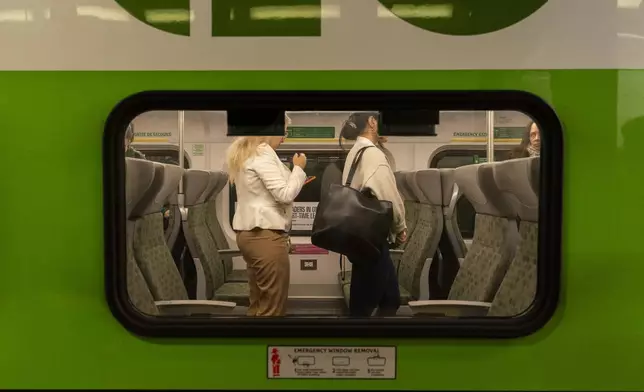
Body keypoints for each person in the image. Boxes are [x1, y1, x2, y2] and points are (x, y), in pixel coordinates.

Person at [226, 115, 307, 316]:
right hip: (263, 235)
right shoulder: (262, 153)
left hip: (253, 234)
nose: (285, 138)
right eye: (285, 131)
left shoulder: (251, 153)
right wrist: (298, 168)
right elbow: (285, 194)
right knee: (272, 307)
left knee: (259, 303)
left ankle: (252, 345)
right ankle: (268, 346)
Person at [339, 112, 407, 317]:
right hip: (372, 238)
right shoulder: (372, 153)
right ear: (372, 122)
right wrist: (400, 226)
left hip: (359, 235)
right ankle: (364, 345)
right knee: (364, 306)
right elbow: (388, 195)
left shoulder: (356, 151)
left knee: (390, 299)